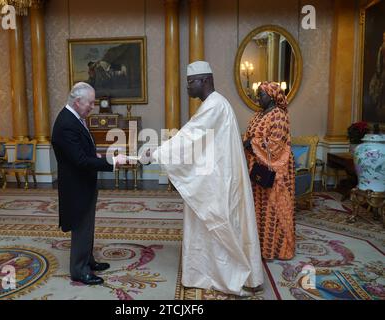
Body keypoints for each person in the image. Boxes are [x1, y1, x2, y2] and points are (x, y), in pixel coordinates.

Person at [143, 61, 263, 296]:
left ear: (205, 81)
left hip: (218, 181)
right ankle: (204, 271)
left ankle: (228, 275)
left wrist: (155, 152)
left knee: (216, 222)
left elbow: (189, 138)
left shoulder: (214, 105)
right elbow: (195, 140)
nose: (188, 87)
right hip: (213, 177)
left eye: (191, 82)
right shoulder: (214, 104)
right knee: (207, 224)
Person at [51, 82, 127, 286]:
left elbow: (82, 152)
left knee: (88, 225)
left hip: (83, 181)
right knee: (81, 226)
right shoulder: (66, 123)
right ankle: (79, 270)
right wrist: (111, 162)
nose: (93, 107)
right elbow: (80, 161)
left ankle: (88, 260)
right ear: (77, 102)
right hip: (76, 185)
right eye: (90, 103)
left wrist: (94, 153)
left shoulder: (75, 118)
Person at [243, 81, 295, 260]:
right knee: (258, 207)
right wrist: (247, 142)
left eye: (261, 94)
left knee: (273, 208)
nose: (258, 98)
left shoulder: (279, 115)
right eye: (258, 94)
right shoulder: (258, 114)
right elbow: (249, 134)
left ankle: (275, 249)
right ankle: (259, 247)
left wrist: (253, 143)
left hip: (274, 170)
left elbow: (276, 144)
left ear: (272, 96)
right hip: (257, 167)